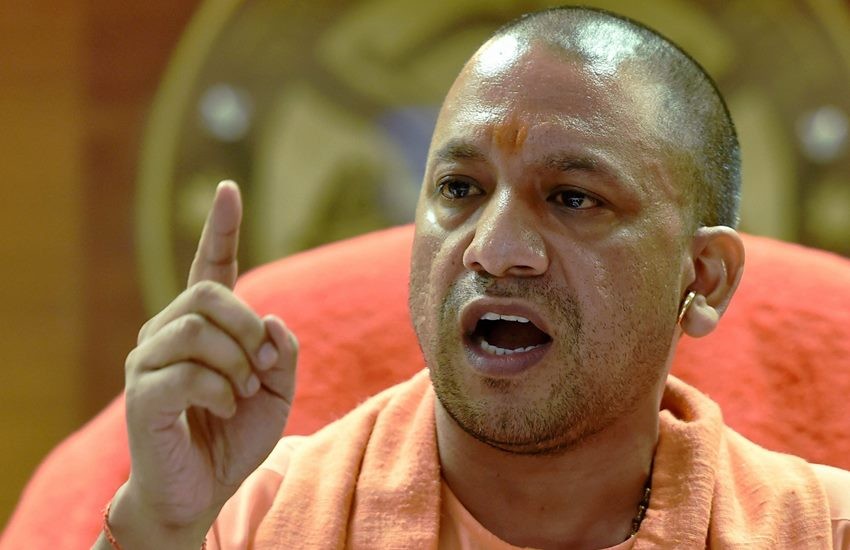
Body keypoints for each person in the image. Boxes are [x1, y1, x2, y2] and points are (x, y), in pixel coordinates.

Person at [95, 6, 850, 549]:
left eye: (572, 198)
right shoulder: (248, 516)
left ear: (705, 278)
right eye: (460, 188)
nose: (494, 249)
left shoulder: (821, 528)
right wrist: (161, 525)